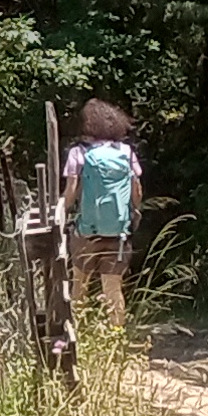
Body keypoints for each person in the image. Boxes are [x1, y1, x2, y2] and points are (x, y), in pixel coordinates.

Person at [62, 100, 142, 323]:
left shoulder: (79, 153)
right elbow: (137, 191)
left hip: (86, 232)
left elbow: (71, 191)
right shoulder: (126, 152)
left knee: (80, 285)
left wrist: (61, 212)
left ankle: (77, 336)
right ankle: (116, 339)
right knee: (113, 288)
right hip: (118, 233)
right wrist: (134, 213)